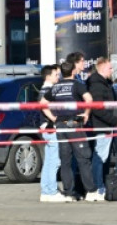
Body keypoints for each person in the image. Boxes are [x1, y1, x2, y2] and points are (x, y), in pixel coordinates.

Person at [40, 56, 101, 201]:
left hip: (60, 125)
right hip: (74, 124)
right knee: (83, 158)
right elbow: (89, 99)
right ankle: (91, 191)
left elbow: (42, 103)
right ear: (73, 71)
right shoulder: (77, 85)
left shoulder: (56, 87)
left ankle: (68, 192)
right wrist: (86, 114)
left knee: (65, 161)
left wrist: (54, 118)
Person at [87, 57, 117, 197]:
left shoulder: (105, 83)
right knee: (99, 157)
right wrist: (114, 121)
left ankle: (101, 185)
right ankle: (98, 187)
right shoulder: (97, 86)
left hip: (105, 125)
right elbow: (98, 109)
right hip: (102, 125)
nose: (112, 70)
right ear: (101, 68)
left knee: (103, 157)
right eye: (110, 68)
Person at [38, 65, 68, 202]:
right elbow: (43, 106)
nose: (59, 77)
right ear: (48, 76)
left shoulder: (45, 89)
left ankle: (46, 190)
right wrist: (54, 119)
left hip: (47, 127)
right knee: (54, 161)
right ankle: (51, 191)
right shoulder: (47, 90)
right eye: (56, 74)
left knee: (49, 160)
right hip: (51, 128)